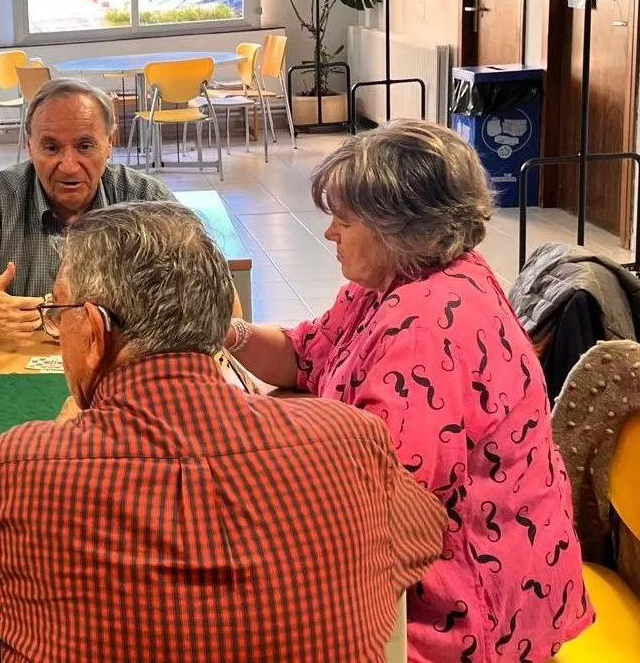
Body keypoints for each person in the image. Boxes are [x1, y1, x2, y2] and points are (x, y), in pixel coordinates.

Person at [0, 201, 447, 662]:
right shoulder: (351, 441)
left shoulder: (20, 472)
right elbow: (422, 533)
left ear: (95, 332)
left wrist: (62, 434)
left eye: (59, 311)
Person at [226, 120, 594, 661]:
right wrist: (225, 331)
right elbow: (304, 355)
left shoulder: (426, 326)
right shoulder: (398, 281)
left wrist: (244, 446)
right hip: (471, 572)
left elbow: (382, 503)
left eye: (344, 221)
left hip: (470, 606)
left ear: (397, 229)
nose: (329, 234)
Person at [0, 78, 174, 341]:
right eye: (51, 148)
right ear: (30, 148)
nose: (69, 166)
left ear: (109, 144)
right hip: (16, 362)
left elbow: (196, 303)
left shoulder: (149, 204)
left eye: (84, 146)